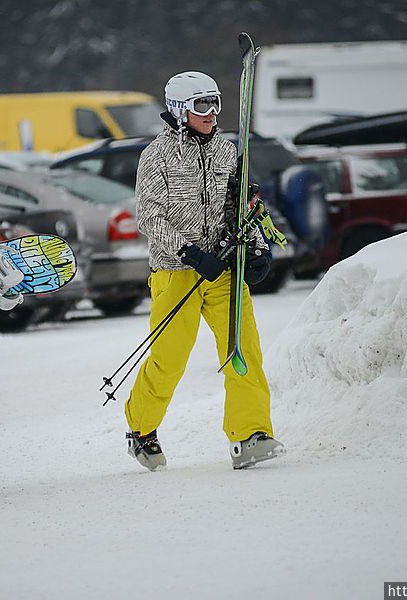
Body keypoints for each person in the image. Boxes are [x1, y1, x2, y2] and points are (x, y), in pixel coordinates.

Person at [124, 72, 285, 471]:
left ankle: (250, 435)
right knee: (169, 358)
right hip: (177, 272)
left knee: (242, 350)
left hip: (224, 267)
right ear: (180, 111)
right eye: (201, 105)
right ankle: (141, 429)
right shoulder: (156, 156)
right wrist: (190, 254)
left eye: (215, 102)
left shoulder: (228, 151)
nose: (212, 113)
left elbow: (240, 208)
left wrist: (257, 249)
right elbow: (149, 216)